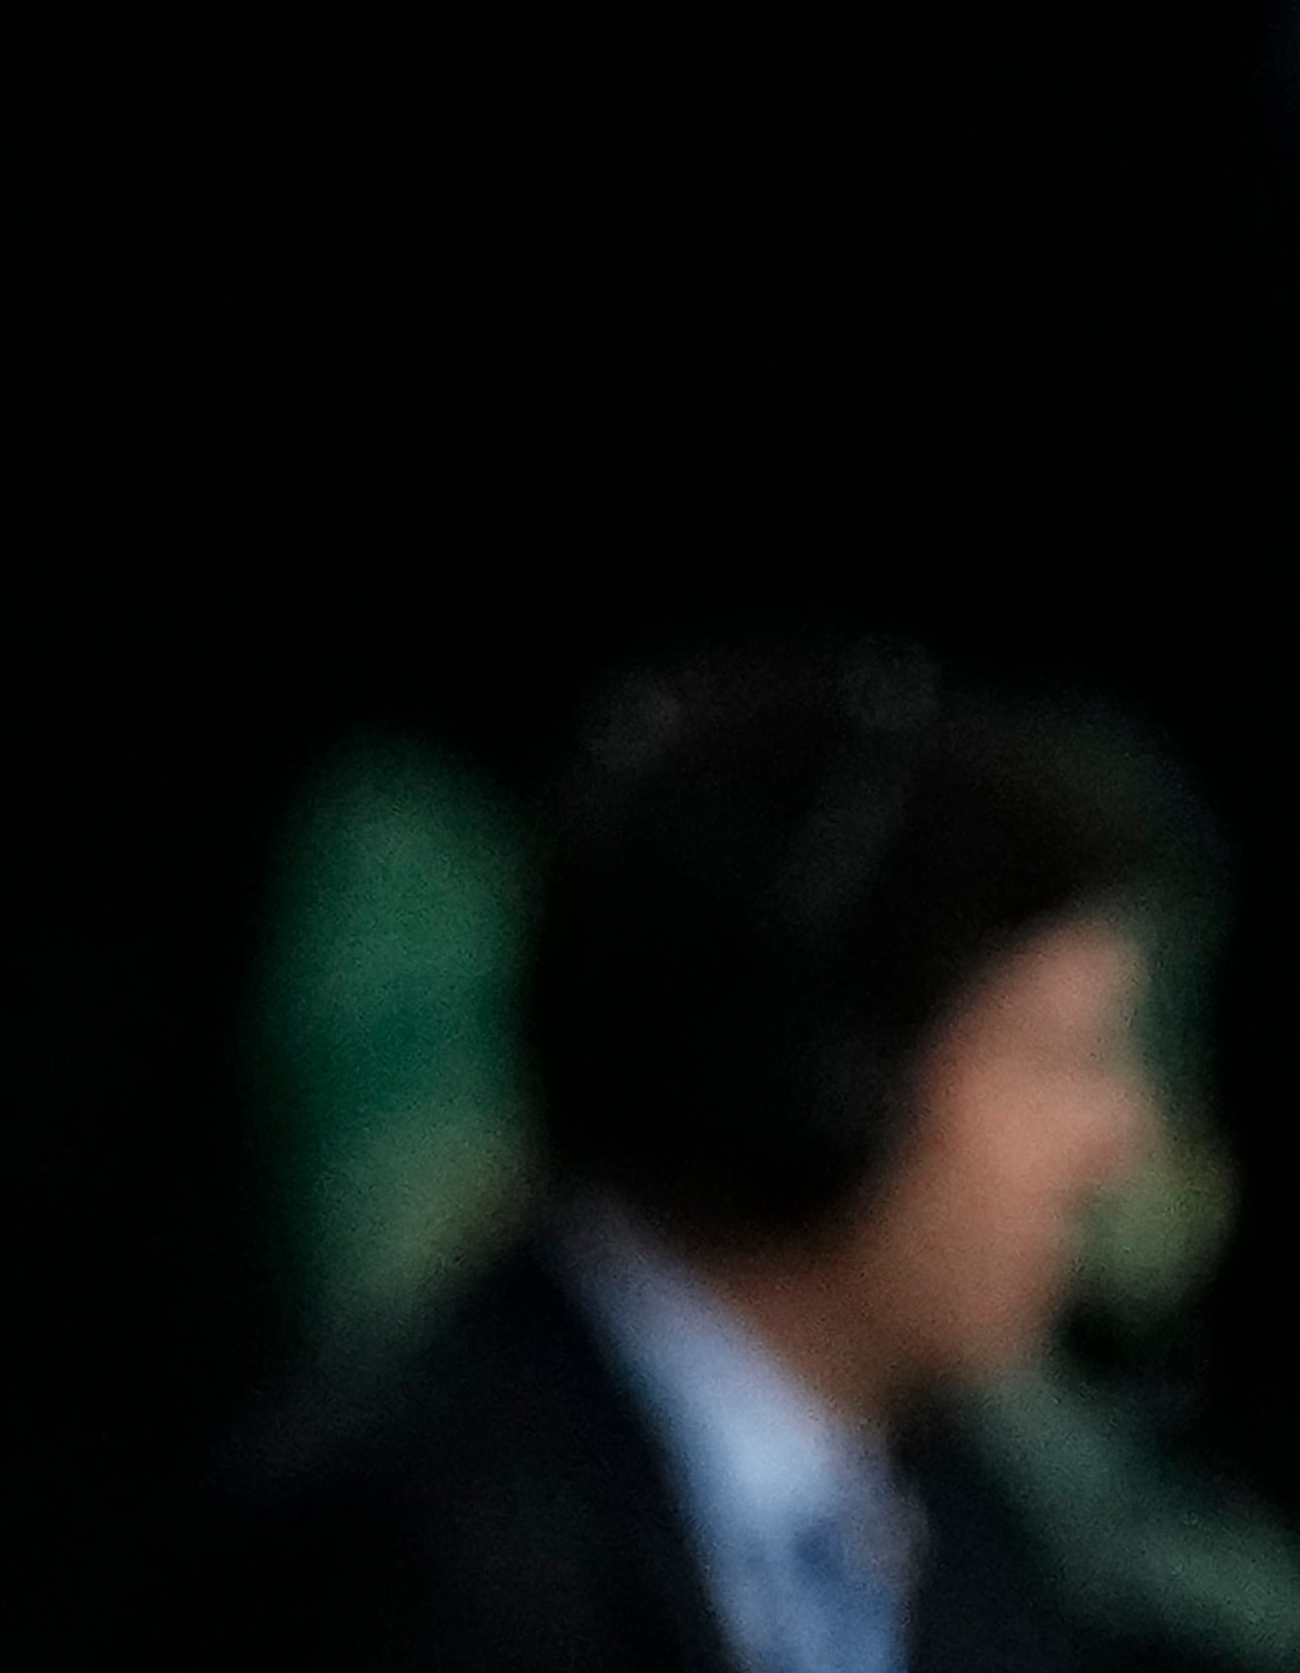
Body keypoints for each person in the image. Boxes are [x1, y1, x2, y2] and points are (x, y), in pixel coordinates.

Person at [237, 651, 1159, 1673]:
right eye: (1052, 1058)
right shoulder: (408, 1550)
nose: (1116, 1144)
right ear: (819, 1079)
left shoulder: (978, 1530)